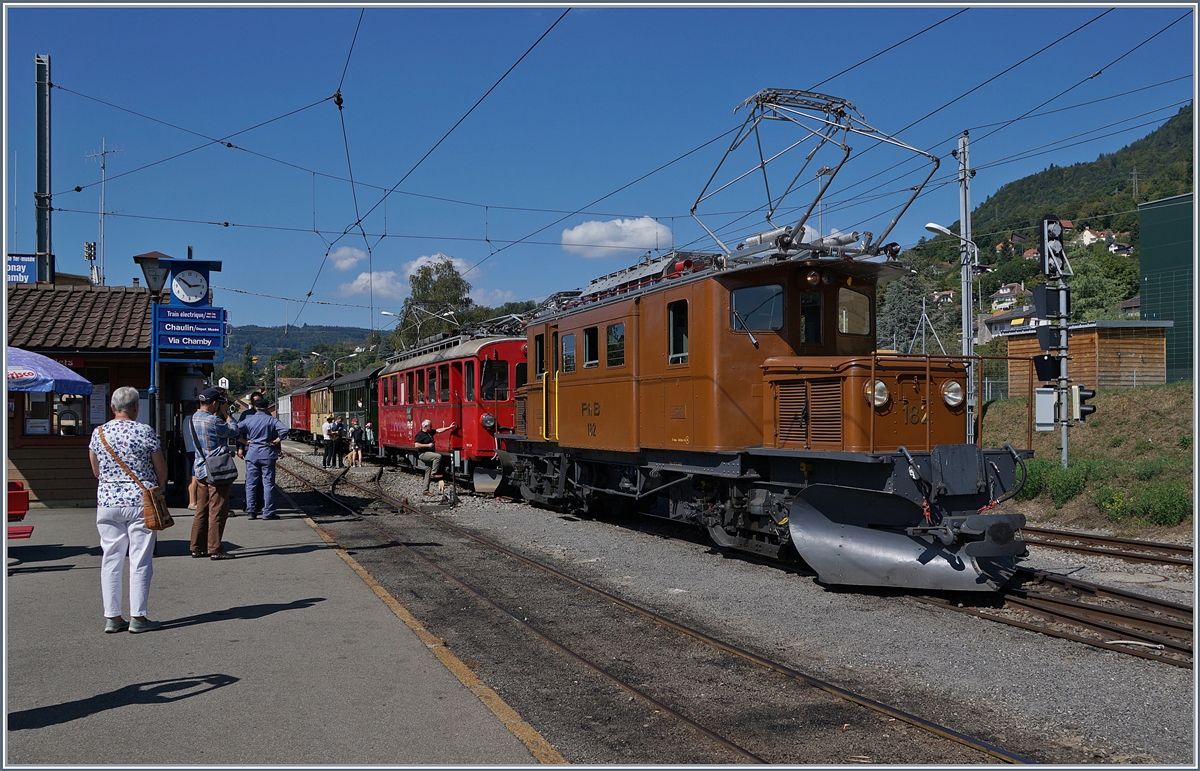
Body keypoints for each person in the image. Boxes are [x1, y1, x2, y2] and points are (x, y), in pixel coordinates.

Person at [88, 386, 167, 634]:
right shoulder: (145, 431)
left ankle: (112, 617)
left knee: (111, 559)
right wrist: (158, 488)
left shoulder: (98, 433)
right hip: (140, 502)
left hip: (108, 503)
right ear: (136, 407)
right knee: (140, 559)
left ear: (112, 407)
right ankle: (138, 618)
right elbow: (161, 470)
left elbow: (95, 470)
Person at [189, 387, 239, 560]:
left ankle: (197, 547)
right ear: (215, 403)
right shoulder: (213, 421)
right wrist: (227, 415)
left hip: (201, 468)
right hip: (217, 470)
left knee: (201, 509)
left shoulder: (193, 418)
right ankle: (215, 548)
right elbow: (234, 431)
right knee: (217, 510)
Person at [238, 397, 288, 520]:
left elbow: (233, 429)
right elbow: (285, 429)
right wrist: (277, 440)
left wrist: (243, 441)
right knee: (268, 484)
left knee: (250, 484)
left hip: (252, 453)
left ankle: (250, 510)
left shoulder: (249, 420)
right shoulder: (271, 420)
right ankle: (268, 511)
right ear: (266, 408)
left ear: (255, 407)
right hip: (267, 453)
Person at [415, 419, 456, 495]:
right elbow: (416, 445)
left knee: (427, 471)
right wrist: (428, 445)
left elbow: (439, 430)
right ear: (425, 426)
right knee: (438, 456)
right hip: (423, 454)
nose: (432, 427)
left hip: (429, 454)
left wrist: (449, 427)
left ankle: (425, 491)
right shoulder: (420, 434)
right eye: (430, 426)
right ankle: (433, 473)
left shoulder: (429, 432)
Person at [181, 409, 200, 510]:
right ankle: (193, 501)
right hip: (195, 449)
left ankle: (193, 500)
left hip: (189, 449)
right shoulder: (192, 420)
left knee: (194, 475)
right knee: (195, 476)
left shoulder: (185, 420)